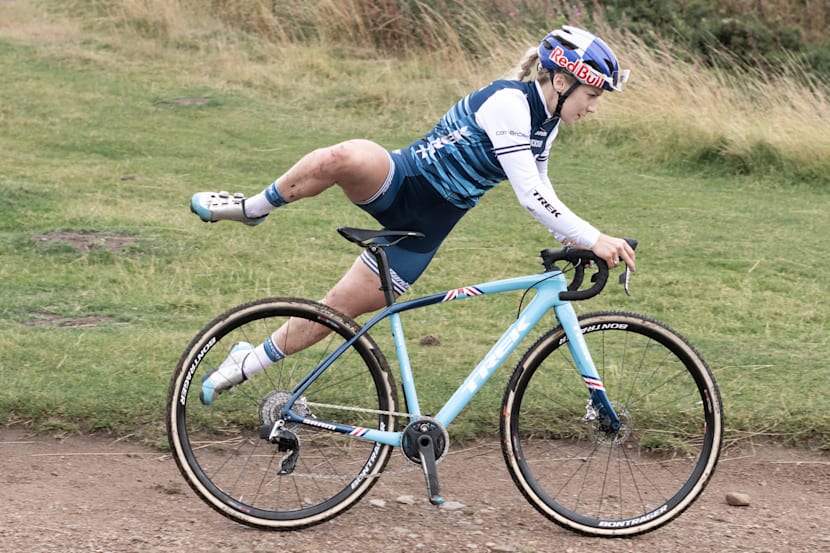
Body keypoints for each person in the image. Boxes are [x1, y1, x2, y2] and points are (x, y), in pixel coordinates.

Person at [190, 25, 637, 405]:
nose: (594, 106)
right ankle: (252, 209)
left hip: (422, 232)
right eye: (592, 94)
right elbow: (527, 194)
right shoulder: (510, 104)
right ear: (561, 81)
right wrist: (593, 236)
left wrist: (575, 238)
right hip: (399, 182)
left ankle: (246, 362)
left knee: (333, 314)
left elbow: (541, 188)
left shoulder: (547, 124)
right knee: (348, 155)